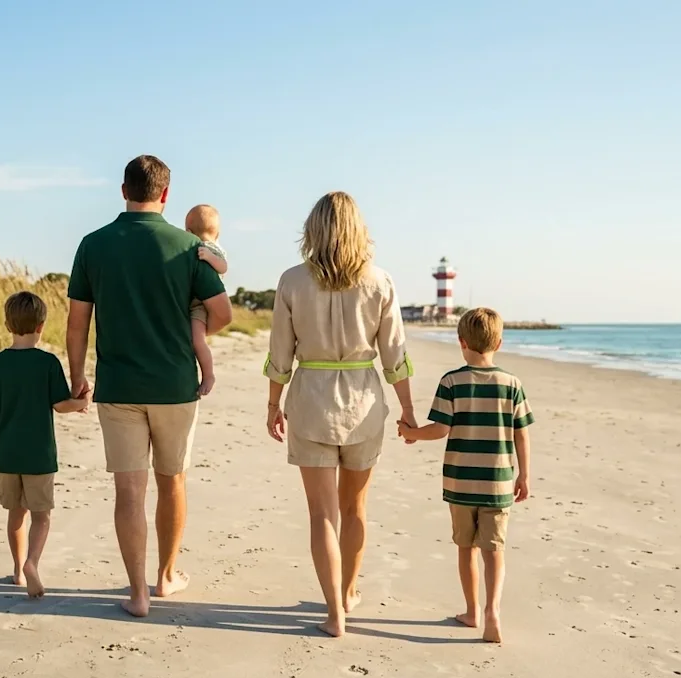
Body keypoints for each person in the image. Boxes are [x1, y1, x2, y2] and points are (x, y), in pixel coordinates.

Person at [66, 155, 233, 617]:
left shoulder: (92, 244)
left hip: (118, 386)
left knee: (129, 492)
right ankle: (166, 576)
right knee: (172, 481)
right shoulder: (189, 247)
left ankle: (137, 593)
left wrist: (77, 376)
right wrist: (193, 335)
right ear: (165, 194)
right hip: (175, 386)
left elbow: (77, 324)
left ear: (123, 191)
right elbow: (222, 313)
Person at [264, 191, 416, 637]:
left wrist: (273, 404)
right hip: (363, 402)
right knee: (355, 509)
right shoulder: (380, 281)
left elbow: (280, 353)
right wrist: (408, 409)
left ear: (314, 228)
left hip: (310, 400)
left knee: (322, 515)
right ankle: (349, 593)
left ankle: (335, 613)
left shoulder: (292, 280)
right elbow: (395, 355)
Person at [396, 307, 535, 643]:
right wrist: (524, 475)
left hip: (460, 481)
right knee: (494, 549)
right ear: (499, 344)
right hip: (498, 482)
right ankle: (493, 612)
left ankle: (472, 611)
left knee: (465, 547)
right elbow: (521, 434)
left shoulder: (452, 381)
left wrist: (411, 433)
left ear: (461, 342)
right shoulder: (512, 384)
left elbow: (440, 429)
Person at [0, 291, 90, 599]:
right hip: (39, 455)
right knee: (41, 515)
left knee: (16, 513)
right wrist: (82, 402)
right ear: (41, 326)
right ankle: (32, 562)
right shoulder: (47, 363)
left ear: (7, 325)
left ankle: (17, 570)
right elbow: (60, 405)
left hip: (5, 454)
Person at [184, 204, 229, 396]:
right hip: (192, 301)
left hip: (201, 305)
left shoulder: (212, 248)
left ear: (188, 232)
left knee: (198, 340)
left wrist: (210, 257)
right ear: (217, 232)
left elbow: (223, 267)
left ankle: (209, 375)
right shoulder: (198, 247)